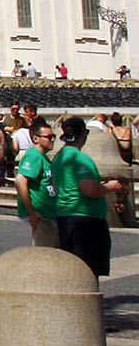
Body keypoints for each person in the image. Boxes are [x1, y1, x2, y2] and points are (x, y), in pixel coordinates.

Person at [49, 116, 124, 277]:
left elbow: (56, 186)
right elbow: (90, 190)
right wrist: (111, 186)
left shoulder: (58, 158)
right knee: (88, 270)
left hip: (65, 215)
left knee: (72, 267)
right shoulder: (81, 159)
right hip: (86, 218)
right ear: (83, 134)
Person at [14, 117, 58, 248]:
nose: (53, 140)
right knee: (46, 254)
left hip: (49, 212)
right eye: (49, 137)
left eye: (54, 136)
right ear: (35, 138)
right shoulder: (34, 156)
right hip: (42, 215)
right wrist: (31, 213)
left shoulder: (42, 157)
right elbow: (20, 181)